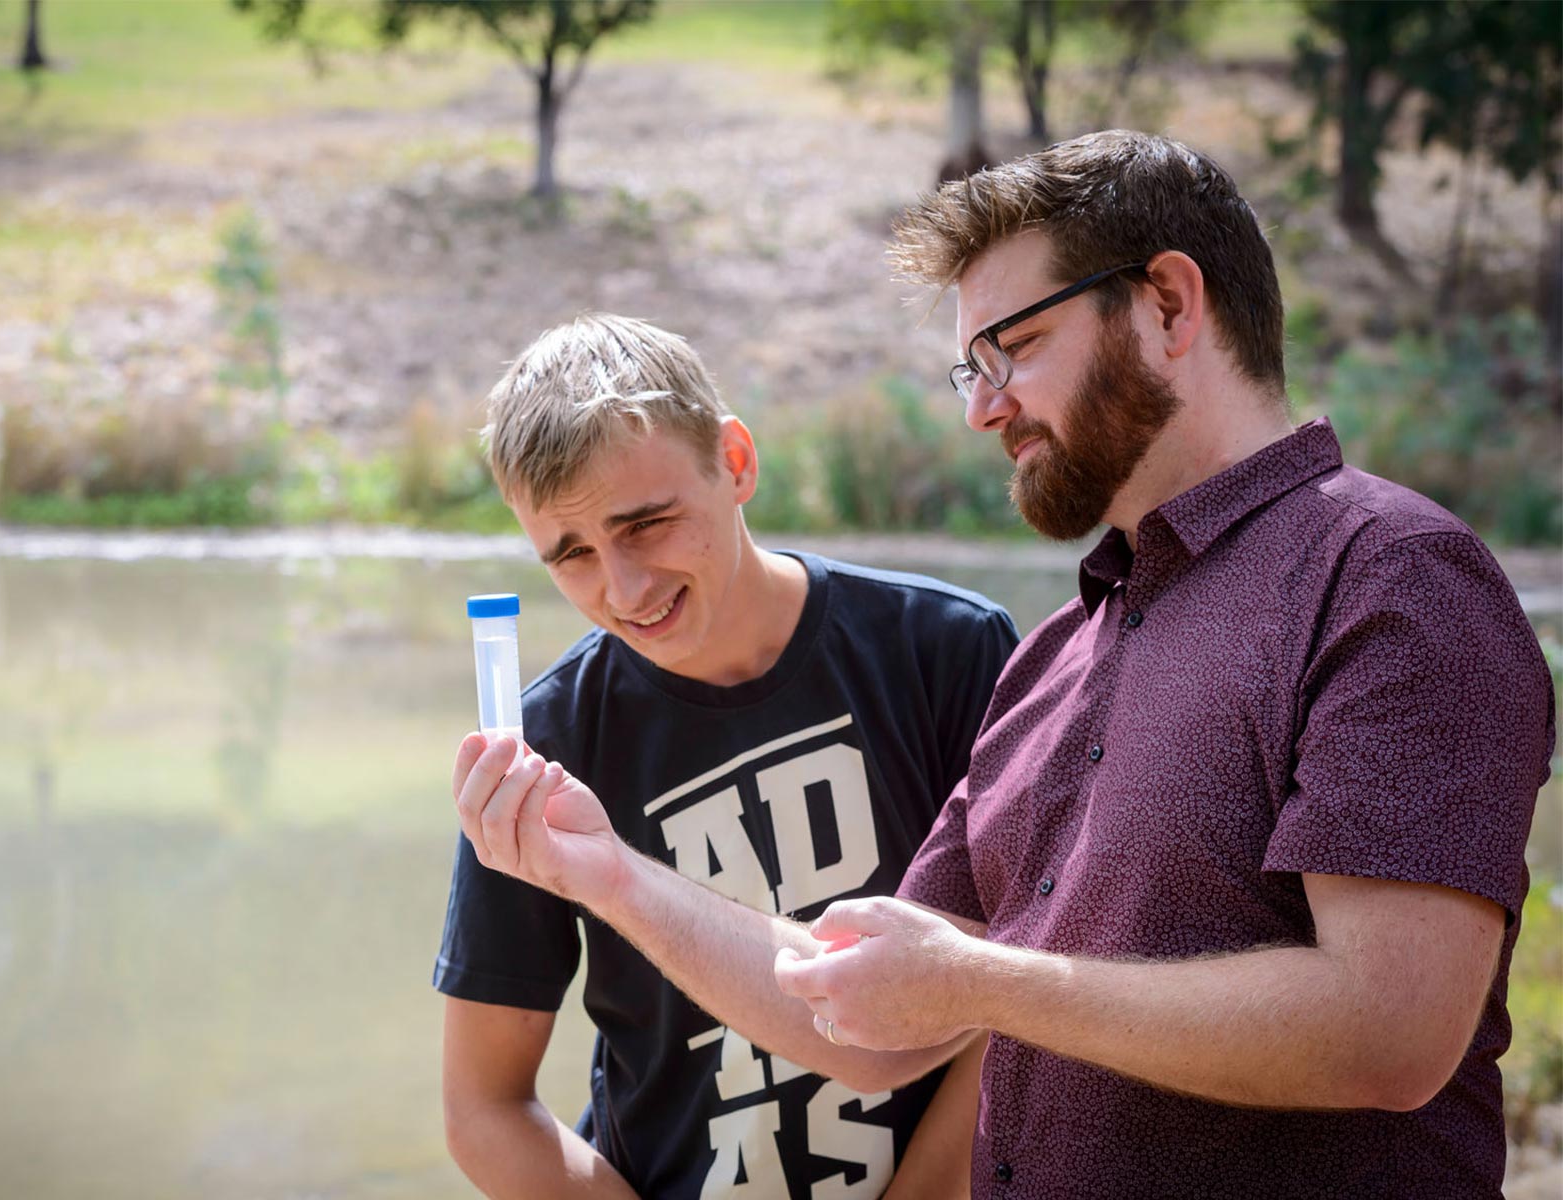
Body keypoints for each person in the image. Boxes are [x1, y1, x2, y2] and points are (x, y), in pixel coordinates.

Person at [456, 132, 1556, 1198]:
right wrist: (604, 873)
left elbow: (1390, 1032)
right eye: (969, 368)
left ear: (1169, 305)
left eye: (1014, 348)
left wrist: (982, 982)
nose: (984, 406)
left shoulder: (1388, 575)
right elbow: (871, 1025)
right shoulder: (1050, 661)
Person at [436, 313, 1019, 1199]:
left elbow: (1016, 1000)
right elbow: (485, 1108)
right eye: (572, 555)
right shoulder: (543, 746)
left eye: (646, 524)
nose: (623, 590)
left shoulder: (946, 650)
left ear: (735, 463)